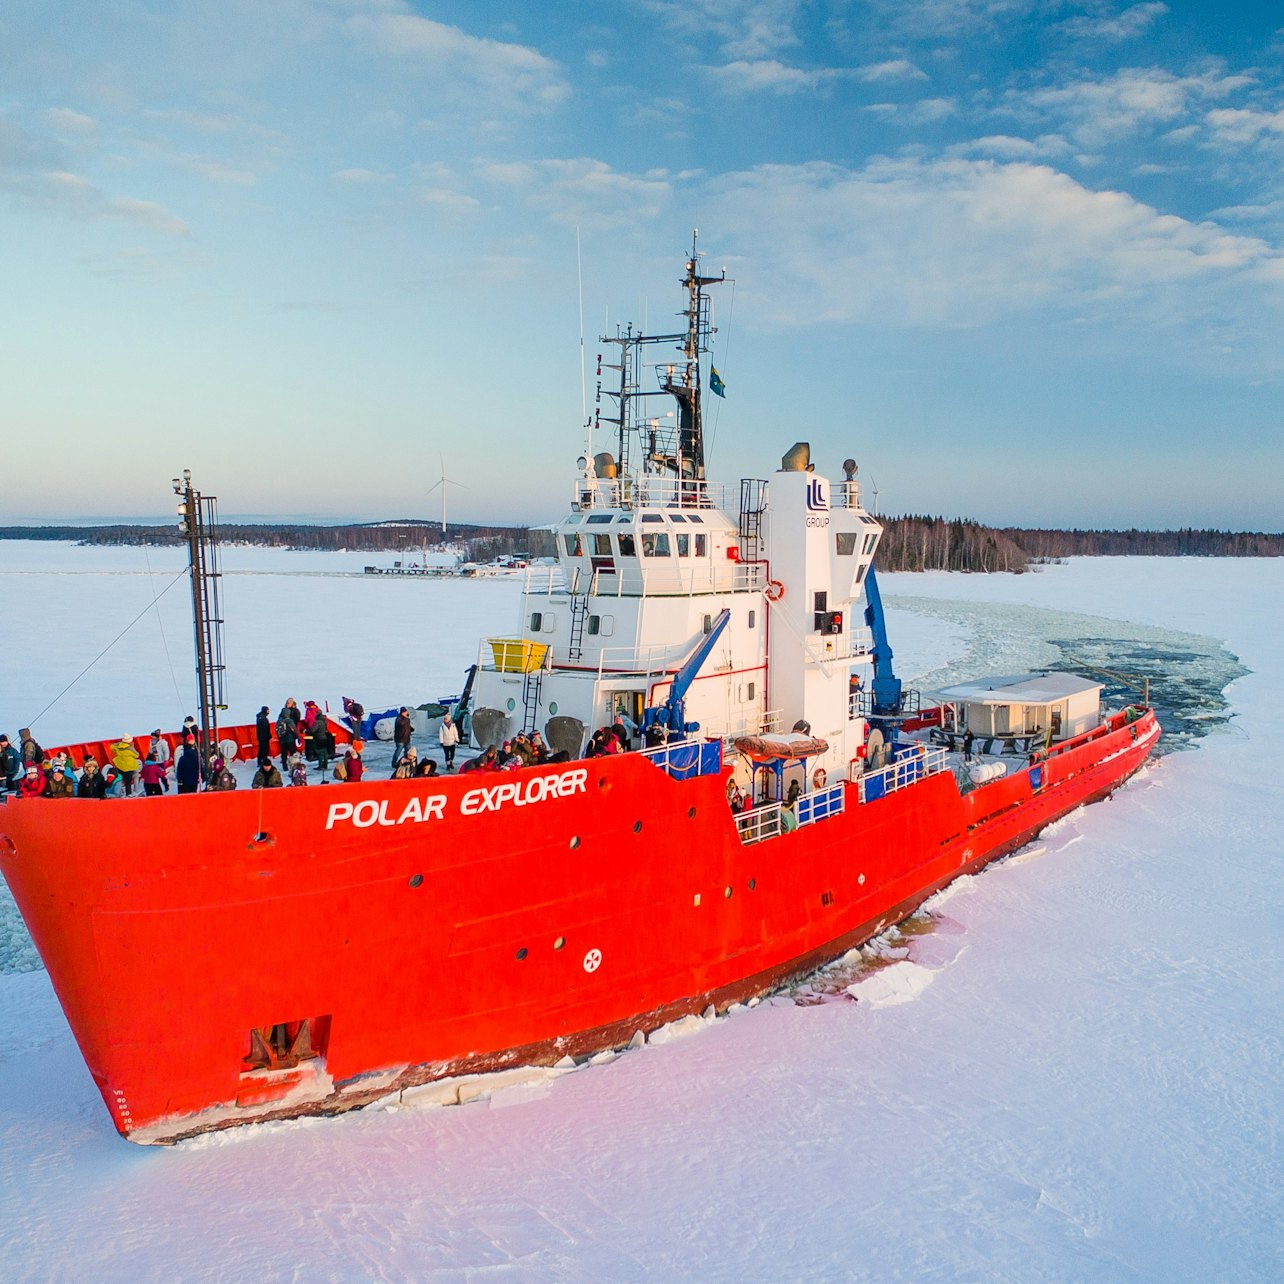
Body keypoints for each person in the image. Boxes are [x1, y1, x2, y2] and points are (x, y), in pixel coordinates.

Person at [276, 699, 301, 771]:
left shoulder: (279, 720)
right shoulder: (289, 720)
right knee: (292, 752)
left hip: (282, 739)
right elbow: (294, 730)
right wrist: (298, 738)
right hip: (290, 739)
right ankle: (294, 766)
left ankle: (285, 767)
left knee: (284, 753)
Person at [391, 707, 413, 771]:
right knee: (398, 751)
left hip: (407, 738)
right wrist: (406, 719)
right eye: (406, 712)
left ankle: (406, 762)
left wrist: (411, 729)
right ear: (403, 712)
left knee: (408, 751)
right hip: (400, 739)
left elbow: (407, 726)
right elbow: (400, 724)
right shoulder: (399, 719)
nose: (407, 713)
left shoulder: (406, 719)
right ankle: (394, 763)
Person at [312, 708, 332, 775]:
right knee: (325, 751)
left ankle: (321, 765)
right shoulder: (324, 719)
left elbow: (313, 730)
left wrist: (306, 731)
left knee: (320, 752)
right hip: (325, 737)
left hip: (319, 737)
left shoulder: (317, 721)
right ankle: (325, 765)